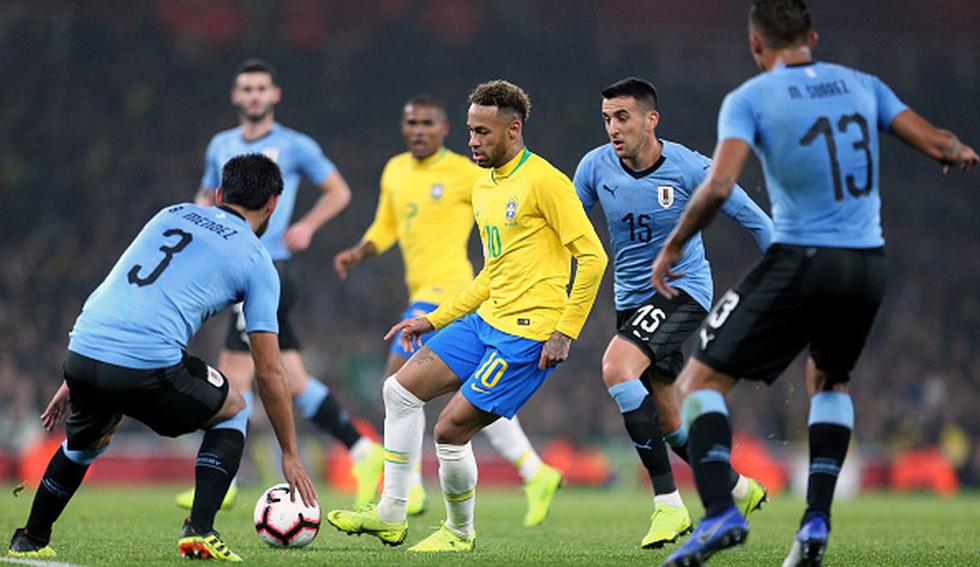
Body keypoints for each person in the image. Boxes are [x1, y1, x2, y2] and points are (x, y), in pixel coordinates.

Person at [651, 2, 979, 566]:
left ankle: (720, 512)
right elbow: (940, 142)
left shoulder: (751, 98)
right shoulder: (862, 85)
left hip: (803, 255)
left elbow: (721, 184)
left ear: (756, 46)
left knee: (698, 381)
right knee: (829, 382)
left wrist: (677, 241)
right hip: (868, 265)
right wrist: (958, 152)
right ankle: (815, 523)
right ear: (813, 37)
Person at [326, 80, 608, 552]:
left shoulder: (545, 182)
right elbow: (490, 272)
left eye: (483, 132)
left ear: (513, 129)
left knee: (450, 430)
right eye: (470, 131)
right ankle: (391, 513)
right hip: (486, 319)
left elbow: (593, 258)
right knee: (398, 390)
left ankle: (459, 533)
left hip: (528, 333)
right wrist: (435, 319)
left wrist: (565, 331)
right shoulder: (484, 186)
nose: (472, 141)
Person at [6, 154, 318, 562]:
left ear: (220, 193)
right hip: (145, 364)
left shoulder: (171, 213)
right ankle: (200, 530)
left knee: (83, 446)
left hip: (83, 348)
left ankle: (30, 538)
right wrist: (290, 454)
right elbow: (269, 370)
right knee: (234, 408)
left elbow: (121, 288)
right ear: (273, 205)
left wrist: (73, 377)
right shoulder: (257, 260)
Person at [573, 77, 774, 550]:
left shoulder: (688, 167)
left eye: (622, 117)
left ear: (650, 119)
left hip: (683, 291)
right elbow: (570, 232)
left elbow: (754, 218)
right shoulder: (593, 167)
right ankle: (737, 488)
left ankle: (668, 505)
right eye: (606, 119)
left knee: (616, 368)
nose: (612, 129)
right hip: (629, 301)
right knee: (669, 421)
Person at [178, 58, 383, 511]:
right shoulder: (221, 145)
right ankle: (363, 450)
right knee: (291, 377)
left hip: (267, 266)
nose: (253, 96)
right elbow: (205, 194)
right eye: (246, 88)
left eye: (261, 89)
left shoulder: (294, 146)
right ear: (236, 96)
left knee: (236, 373)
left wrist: (308, 225)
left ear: (275, 96)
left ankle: (224, 477)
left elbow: (339, 190)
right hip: (234, 264)